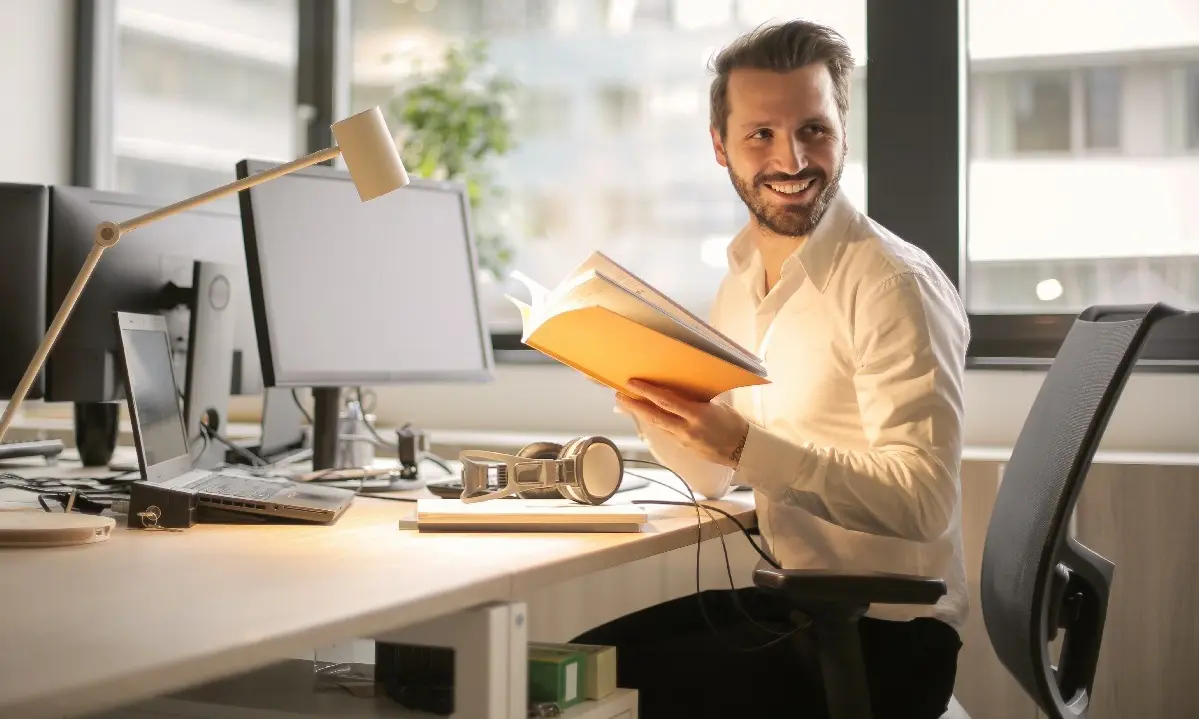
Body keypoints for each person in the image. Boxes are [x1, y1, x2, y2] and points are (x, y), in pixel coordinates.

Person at [570, 19, 971, 719]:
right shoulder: (743, 275)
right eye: (761, 134)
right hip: (793, 606)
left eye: (813, 129)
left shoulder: (889, 284)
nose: (791, 159)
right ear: (719, 147)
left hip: (884, 643)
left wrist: (738, 441)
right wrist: (651, 401)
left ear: (842, 129)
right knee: (563, 664)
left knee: (578, 697)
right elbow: (714, 476)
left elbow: (922, 499)